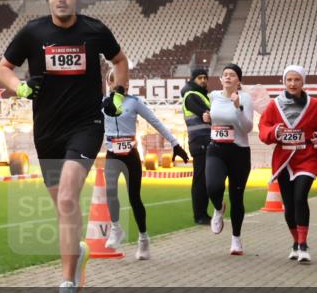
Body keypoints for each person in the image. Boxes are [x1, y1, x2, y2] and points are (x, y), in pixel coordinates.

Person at [0, 0, 128, 293]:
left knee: (68, 199)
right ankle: (78, 252)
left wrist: (119, 94)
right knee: (63, 208)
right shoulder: (33, 32)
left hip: (86, 126)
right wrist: (21, 88)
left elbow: (120, 60)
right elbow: (3, 68)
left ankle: (67, 285)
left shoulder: (94, 30)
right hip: (47, 132)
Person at [102, 68, 189, 260]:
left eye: (126, 81)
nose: (124, 84)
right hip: (112, 155)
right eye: (119, 81)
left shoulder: (134, 102)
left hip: (130, 156)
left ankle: (143, 239)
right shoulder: (102, 103)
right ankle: (116, 228)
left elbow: (155, 121)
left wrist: (175, 143)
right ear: (109, 83)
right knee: (110, 192)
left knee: (134, 197)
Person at [258, 66, 317, 263]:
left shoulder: (315, 105)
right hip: (284, 161)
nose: (292, 84)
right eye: (289, 80)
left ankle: (303, 244)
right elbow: (263, 128)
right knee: (289, 205)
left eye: (297, 80)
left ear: (303, 82)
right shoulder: (274, 105)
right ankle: (295, 241)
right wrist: (274, 131)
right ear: (284, 82)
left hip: (306, 157)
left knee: (300, 198)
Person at [206, 64, 254, 255]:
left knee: (237, 197)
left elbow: (247, 128)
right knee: (213, 187)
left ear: (238, 80)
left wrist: (238, 107)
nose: (227, 77)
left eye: (232, 75)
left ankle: (236, 239)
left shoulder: (245, 98)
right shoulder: (213, 96)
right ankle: (218, 208)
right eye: (224, 74)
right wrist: (208, 118)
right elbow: (214, 118)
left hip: (239, 152)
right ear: (220, 79)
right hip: (216, 149)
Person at [181, 67, 213, 224]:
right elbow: (207, 113)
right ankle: (200, 215)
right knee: (200, 179)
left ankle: (203, 214)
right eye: (200, 78)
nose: (203, 80)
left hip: (204, 141)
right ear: (193, 79)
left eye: (205, 78)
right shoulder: (191, 95)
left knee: (205, 178)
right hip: (200, 141)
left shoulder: (202, 95)